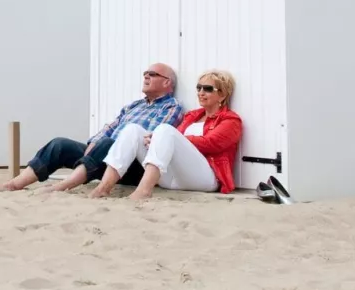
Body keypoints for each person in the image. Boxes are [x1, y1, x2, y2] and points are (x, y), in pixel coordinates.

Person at [0, 64, 183, 193]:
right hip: (102, 155)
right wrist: (93, 143)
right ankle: (14, 184)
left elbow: (151, 136)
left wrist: (104, 144)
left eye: (152, 74)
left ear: (167, 82)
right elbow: (109, 127)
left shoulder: (171, 106)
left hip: (131, 165)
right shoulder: (134, 106)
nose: (146, 76)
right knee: (60, 144)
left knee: (109, 143)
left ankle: (63, 186)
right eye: (145, 73)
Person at [90, 69, 242, 199]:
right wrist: (154, 140)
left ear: (222, 95)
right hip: (173, 180)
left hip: (206, 179)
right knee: (133, 130)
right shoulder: (191, 116)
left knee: (165, 130)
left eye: (208, 89)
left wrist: (166, 137)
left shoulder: (231, 120)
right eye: (199, 88)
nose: (201, 92)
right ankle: (103, 187)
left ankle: (143, 191)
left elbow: (211, 143)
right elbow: (172, 143)